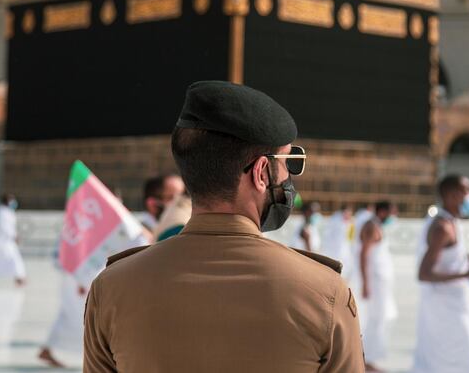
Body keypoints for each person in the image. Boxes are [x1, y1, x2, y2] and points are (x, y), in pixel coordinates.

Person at [83, 80, 364, 372]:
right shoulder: (324, 294)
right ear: (261, 172)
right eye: (288, 162)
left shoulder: (111, 289)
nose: (289, 178)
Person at [413, 174, 469, 373]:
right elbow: (424, 274)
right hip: (444, 308)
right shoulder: (441, 227)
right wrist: (466, 274)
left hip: (455, 303)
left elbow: (450, 259)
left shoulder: (452, 222)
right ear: (452, 195)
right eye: (467, 191)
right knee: (465, 359)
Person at [358, 200, 397, 372]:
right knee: (375, 319)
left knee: (380, 319)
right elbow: (364, 255)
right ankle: (366, 360)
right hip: (374, 282)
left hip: (380, 282)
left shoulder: (375, 226)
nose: (393, 216)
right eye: (391, 212)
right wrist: (366, 283)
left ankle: (369, 358)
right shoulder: (371, 227)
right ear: (382, 212)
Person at [0, 193, 26, 287]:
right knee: (14, 259)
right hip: (3, 241)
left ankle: (18, 278)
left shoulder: (1, 212)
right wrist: (14, 236)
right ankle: (18, 278)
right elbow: (6, 227)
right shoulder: (4, 213)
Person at [322, 204, 355, 280]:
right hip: (334, 252)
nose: (349, 215)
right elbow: (328, 236)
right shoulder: (335, 221)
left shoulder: (350, 224)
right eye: (347, 213)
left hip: (346, 254)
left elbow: (350, 240)